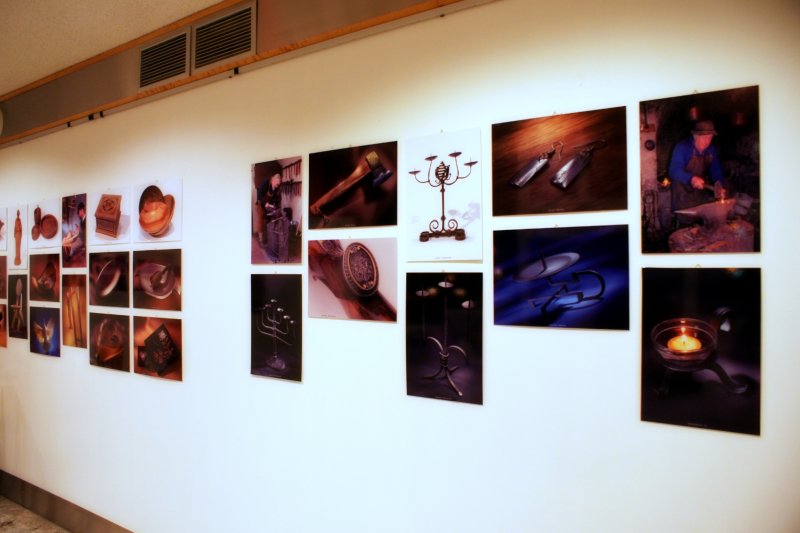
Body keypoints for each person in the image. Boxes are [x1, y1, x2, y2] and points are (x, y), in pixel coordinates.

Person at [668, 119, 725, 211]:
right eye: (704, 137)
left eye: (710, 138)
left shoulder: (711, 150)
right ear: (695, 136)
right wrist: (691, 179)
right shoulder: (682, 147)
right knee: (685, 218)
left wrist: (719, 184)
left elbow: (715, 170)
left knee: (702, 216)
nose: (707, 141)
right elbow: (673, 170)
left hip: (700, 193)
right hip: (682, 194)